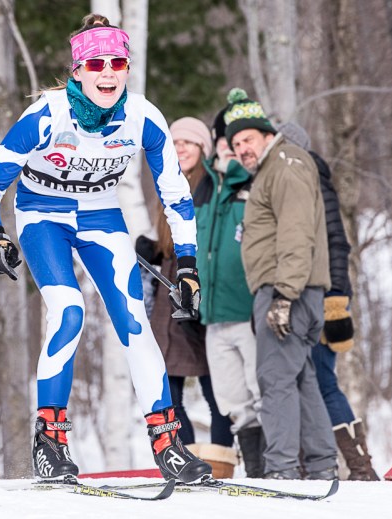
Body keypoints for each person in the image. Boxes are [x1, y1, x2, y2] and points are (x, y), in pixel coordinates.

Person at [0, 13, 212, 484]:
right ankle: (50, 442)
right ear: (78, 70)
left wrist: (186, 264)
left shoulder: (143, 116)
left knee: (133, 320)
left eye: (117, 62)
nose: (108, 72)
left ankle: (168, 444)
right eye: (97, 62)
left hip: (100, 215)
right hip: (42, 214)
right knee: (69, 310)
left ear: (126, 69)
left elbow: (176, 194)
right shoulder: (46, 114)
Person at [225, 88, 338, 480]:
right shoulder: (275, 168)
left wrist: (284, 296)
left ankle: (281, 469)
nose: (242, 149)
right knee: (300, 379)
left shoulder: (286, 164)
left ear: (266, 134)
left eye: (248, 139)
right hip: (290, 289)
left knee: (274, 381)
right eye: (236, 144)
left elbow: (295, 233)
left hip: (288, 289)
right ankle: (322, 465)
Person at [279, 122, 380, 481]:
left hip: (322, 296)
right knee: (302, 379)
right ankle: (320, 462)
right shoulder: (291, 184)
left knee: (321, 378)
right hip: (300, 296)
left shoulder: (313, 181)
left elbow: (337, 243)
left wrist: (336, 297)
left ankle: (358, 465)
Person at [138, 117, 237, 478]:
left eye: (188, 144)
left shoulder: (209, 186)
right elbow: (171, 245)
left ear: (202, 149)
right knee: (171, 391)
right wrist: (153, 250)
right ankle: (186, 459)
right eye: (174, 143)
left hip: (201, 294)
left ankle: (222, 462)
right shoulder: (169, 185)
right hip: (170, 299)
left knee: (217, 392)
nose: (180, 149)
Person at [194, 107, 265, 477]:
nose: (226, 149)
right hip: (213, 315)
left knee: (263, 393)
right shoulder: (207, 186)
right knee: (233, 402)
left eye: (233, 143)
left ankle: (281, 469)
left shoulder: (253, 185)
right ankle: (255, 472)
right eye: (220, 141)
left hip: (248, 311)